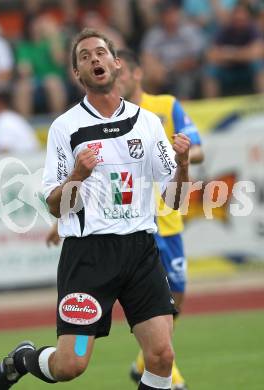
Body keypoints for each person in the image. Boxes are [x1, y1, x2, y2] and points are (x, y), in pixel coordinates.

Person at [0, 28, 191, 390]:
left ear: (116, 63)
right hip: (89, 258)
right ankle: (21, 359)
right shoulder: (65, 128)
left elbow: (176, 200)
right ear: (78, 75)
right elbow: (55, 206)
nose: (94, 59)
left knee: (162, 357)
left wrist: (185, 163)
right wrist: (78, 174)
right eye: (84, 56)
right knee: (71, 364)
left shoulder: (148, 124)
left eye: (100, 52)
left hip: (141, 251)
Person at [116, 49, 204, 390]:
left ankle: (143, 364)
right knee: (157, 303)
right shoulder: (116, 120)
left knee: (177, 297)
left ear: (136, 74)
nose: (117, 80)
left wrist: (173, 151)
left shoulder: (166, 106)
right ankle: (170, 374)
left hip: (171, 220)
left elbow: (198, 148)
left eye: (122, 73)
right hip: (140, 223)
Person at [0, 89, 39, 154]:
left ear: (0, 103)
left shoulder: (2, 120)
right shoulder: (13, 117)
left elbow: (4, 151)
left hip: (23, 160)